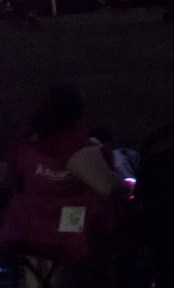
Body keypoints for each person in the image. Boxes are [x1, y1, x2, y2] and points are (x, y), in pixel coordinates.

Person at [0, 86, 127, 287]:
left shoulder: (26, 145)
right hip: (70, 231)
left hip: (28, 230)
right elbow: (108, 187)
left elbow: (8, 177)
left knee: (38, 269)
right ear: (78, 114)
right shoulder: (75, 145)